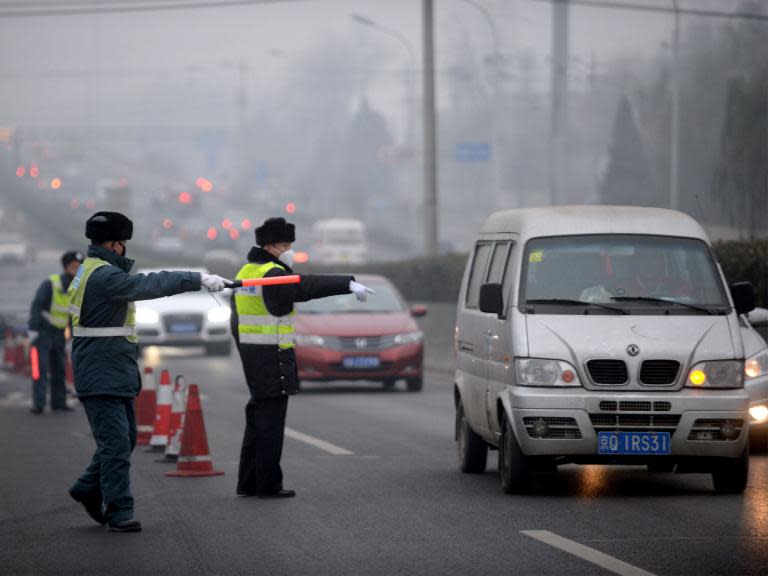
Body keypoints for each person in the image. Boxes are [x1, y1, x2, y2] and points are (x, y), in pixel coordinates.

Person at [67, 211, 228, 533]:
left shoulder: (92, 269)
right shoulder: (104, 276)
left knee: (123, 440)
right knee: (115, 446)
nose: (124, 248)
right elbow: (146, 284)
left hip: (109, 368)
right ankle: (119, 510)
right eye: (123, 242)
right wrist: (195, 279)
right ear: (116, 244)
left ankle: (86, 488)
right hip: (102, 370)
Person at [232, 217, 373, 498]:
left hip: (253, 355)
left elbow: (235, 321)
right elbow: (304, 286)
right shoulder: (273, 273)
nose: (289, 251)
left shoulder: (248, 271)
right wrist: (347, 283)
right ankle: (268, 485)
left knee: (257, 420)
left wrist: (246, 351)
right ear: (270, 247)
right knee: (270, 423)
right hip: (272, 357)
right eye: (285, 245)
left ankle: (249, 482)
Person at [27, 250, 84, 414]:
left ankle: (58, 402)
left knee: (59, 369)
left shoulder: (77, 288)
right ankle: (38, 404)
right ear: (66, 267)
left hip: (59, 334)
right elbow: (37, 305)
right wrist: (32, 329)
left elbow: (73, 314)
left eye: (79, 267)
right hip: (42, 332)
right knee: (40, 369)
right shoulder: (52, 283)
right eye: (74, 266)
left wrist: (73, 336)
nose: (76, 270)